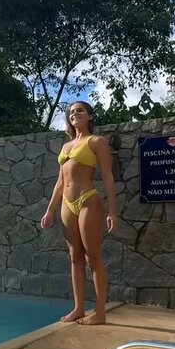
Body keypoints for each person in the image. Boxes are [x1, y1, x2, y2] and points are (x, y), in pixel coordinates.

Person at [40, 101, 116, 325]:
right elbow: (60, 181)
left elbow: (108, 176)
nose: (75, 114)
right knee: (75, 257)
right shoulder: (66, 147)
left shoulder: (97, 141)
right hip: (67, 204)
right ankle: (79, 308)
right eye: (71, 112)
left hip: (87, 201)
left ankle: (100, 312)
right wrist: (50, 209)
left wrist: (112, 211)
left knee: (93, 257)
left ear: (90, 116)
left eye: (80, 110)